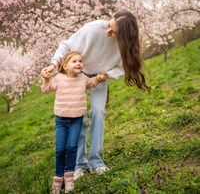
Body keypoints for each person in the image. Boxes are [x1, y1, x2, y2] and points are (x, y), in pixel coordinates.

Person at [41, 11, 150, 181]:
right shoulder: (93, 29)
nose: (108, 32)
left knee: (98, 112)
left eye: (114, 33)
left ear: (124, 37)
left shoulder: (125, 47)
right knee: (79, 117)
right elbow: (66, 45)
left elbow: (122, 67)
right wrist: (53, 64)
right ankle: (79, 164)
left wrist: (107, 74)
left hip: (100, 77)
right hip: (78, 74)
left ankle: (95, 161)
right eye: (109, 26)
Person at [41, 51, 108, 193]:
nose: (79, 63)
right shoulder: (59, 78)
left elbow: (92, 83)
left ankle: (69, 179)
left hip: (76, 120)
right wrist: (46, 79)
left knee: (72, 147)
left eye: (80, 61)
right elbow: (46, 88)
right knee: (60, 149)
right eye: (74, 61)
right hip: (61, 121)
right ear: (65, 66)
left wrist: (99, 78)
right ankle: (57, 180)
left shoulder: (83, 78)